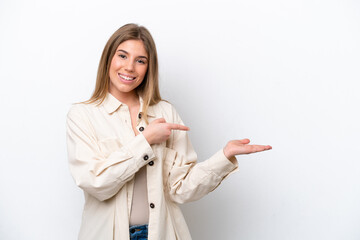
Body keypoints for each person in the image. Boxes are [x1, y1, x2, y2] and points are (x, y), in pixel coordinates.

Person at [66, 23, 272, 240]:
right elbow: (95, 183)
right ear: (108, 58)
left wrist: (224, 157)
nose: (129, 67)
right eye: (123, 56)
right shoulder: (82, 115)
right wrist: (146, 141)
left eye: (140, 61)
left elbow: (180, 188)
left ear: (148, 68)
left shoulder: (165, 112)